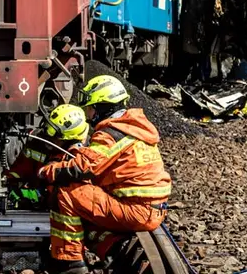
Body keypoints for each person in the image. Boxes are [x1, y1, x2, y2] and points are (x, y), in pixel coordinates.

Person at [39, 75, 172, 274]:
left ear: (103, 107)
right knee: (88, 204)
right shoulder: (133, 128)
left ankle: (70, 262)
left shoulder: (110, 133)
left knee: (67, 191)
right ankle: (111, 249)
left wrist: (48, 171)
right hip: (152, 208)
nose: (89, 114)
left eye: (91, 108)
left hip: (137, 211)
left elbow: (82, 168)